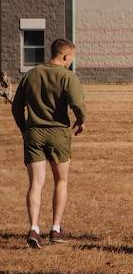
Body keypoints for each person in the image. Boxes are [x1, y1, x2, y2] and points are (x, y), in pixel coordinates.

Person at [12, 38, 86, 248]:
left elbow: (17, 106)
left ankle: (34, 228)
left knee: (36, 183)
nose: (71, 61)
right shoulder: (67, 76)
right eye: (71, 58)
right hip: (58, 133)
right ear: (65, 56)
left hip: (34, 133)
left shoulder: (31, 74)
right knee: (61, 180)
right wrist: (81, 121)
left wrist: (24, 129)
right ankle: (55, 228)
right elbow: (77, 103)